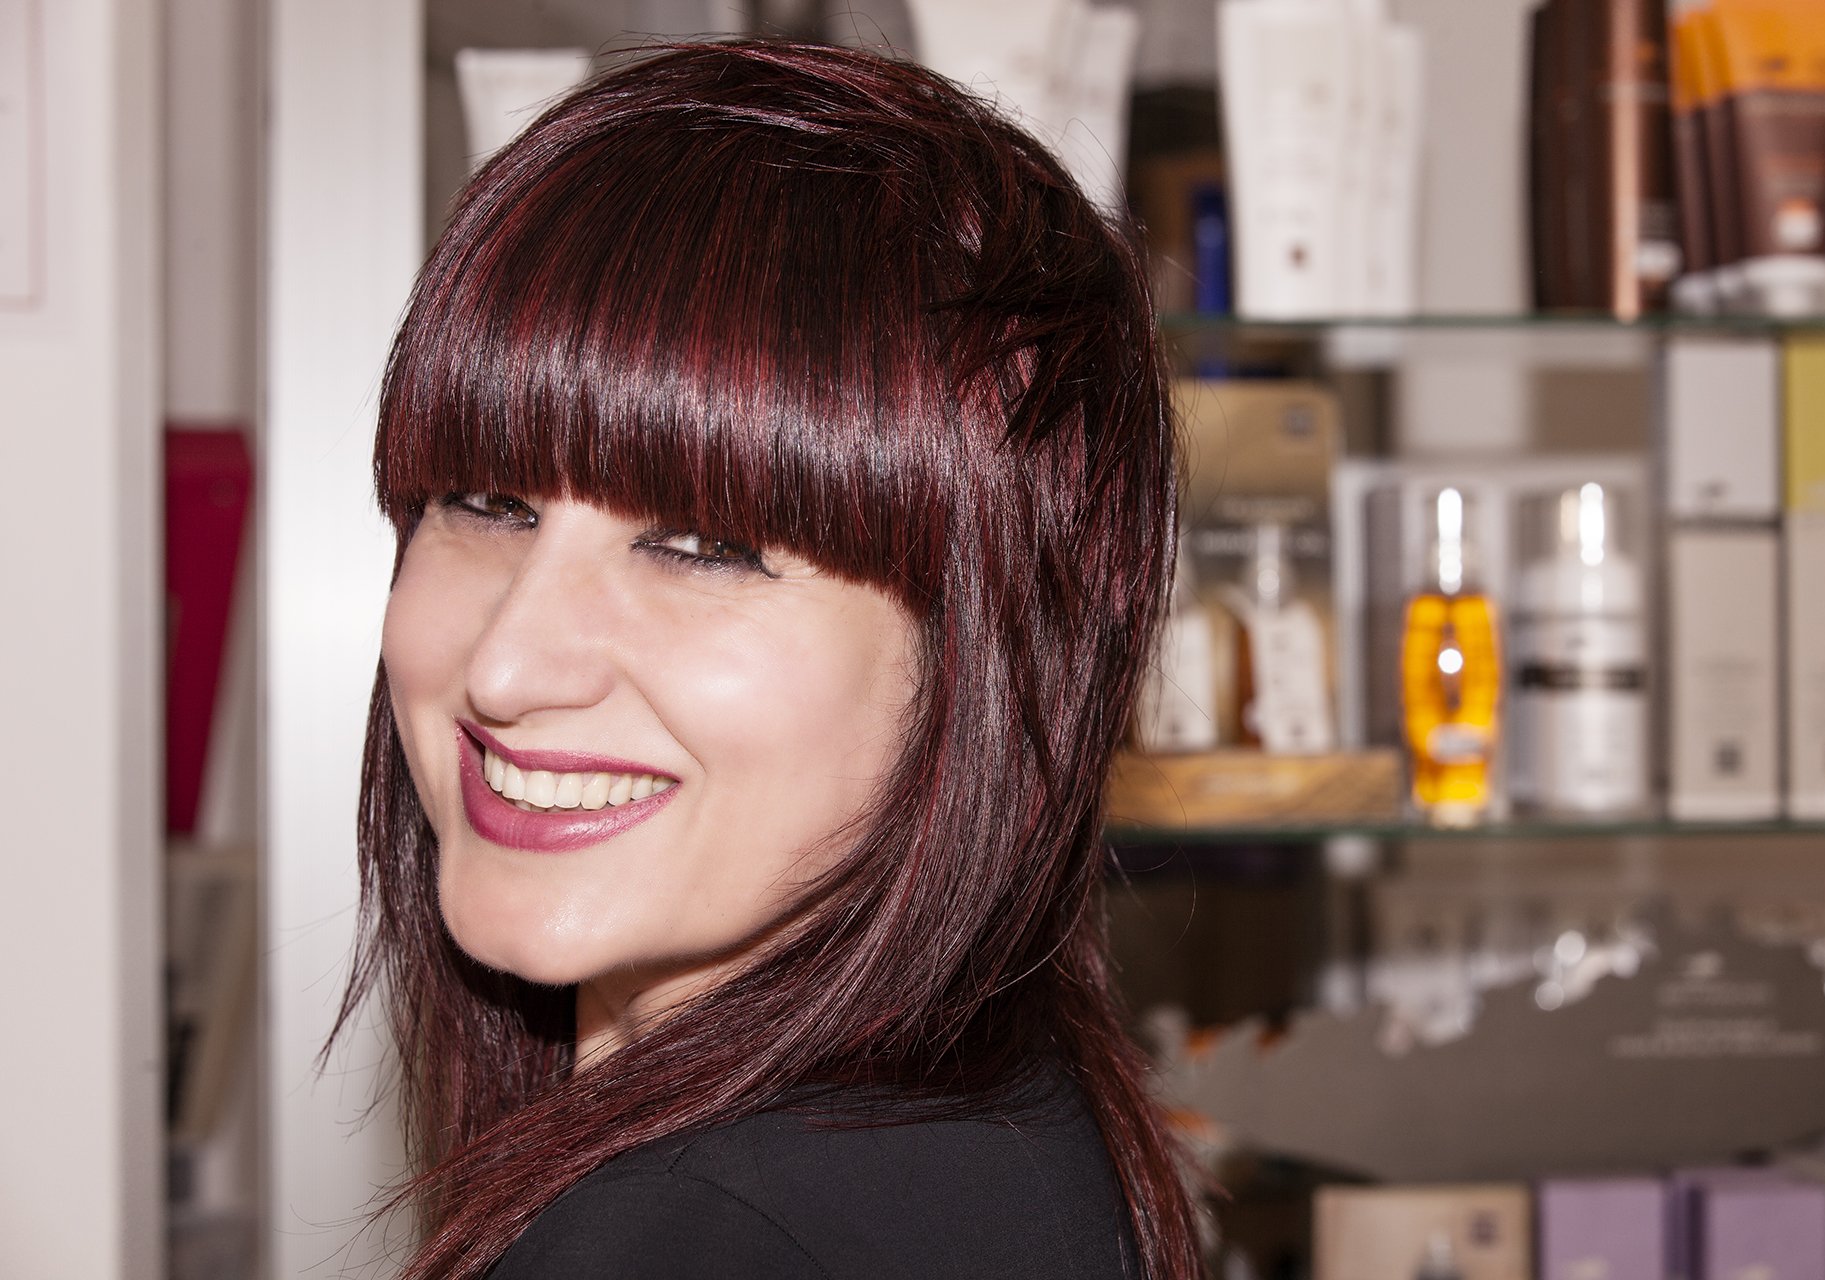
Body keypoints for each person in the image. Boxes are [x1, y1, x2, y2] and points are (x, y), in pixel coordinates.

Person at [339, 37, 1203, 1280]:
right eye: (488, 501)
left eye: (703, 545)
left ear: (990, 652)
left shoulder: (700, 1233)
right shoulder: (990, 1120)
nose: (507, 665)